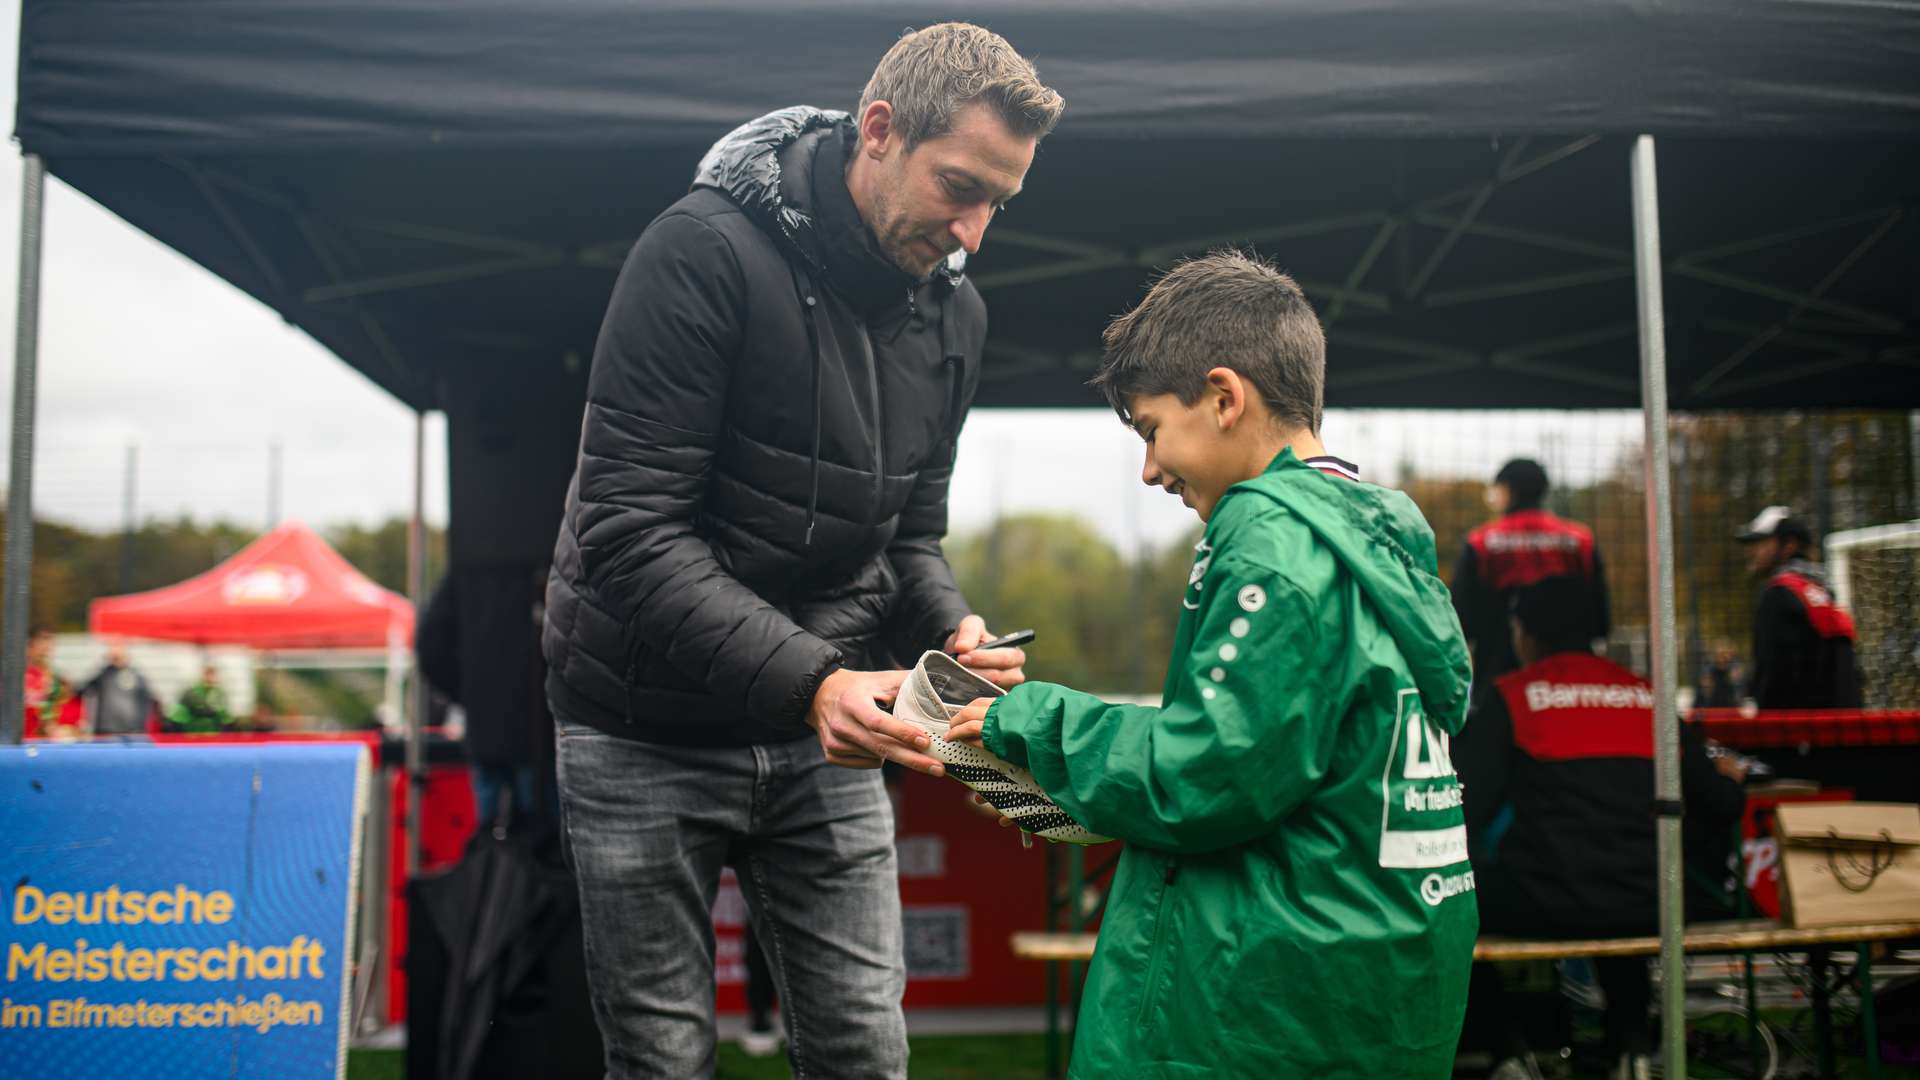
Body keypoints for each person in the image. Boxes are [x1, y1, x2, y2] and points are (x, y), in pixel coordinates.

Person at [538, 24, 1062, 1077]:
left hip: (828, 730)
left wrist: (946, 623)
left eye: (997, 202)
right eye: (960, 185)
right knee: (661, 1058)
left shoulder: (958, 312)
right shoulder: (699, 251)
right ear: (878, 131)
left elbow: (909, 533)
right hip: (640, 725)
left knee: (866, 1051)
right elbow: (629, 531)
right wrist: (815, 681)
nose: (972, 232)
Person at [946, 251, 1478, 1077]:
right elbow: (1279, 757)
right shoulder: (1374, 537)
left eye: (1153, 430)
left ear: (1225, 398)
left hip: (1268, 998)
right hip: (1372, 980)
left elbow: (1208, 773)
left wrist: (1033, 721)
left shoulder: (1271, 540)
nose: (1151, 469)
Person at [1453, 575, 1747, 1080]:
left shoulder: (1513, 698)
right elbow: (1720, 804)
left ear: (1525, 632)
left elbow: (1465, 804)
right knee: (1616, 892)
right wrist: (1732, 778)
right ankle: (1630, 1048)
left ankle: (1508, 1051)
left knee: (1449, 904)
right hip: (1652, 901)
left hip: (1545, 902)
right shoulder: (1648, 699)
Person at [1451, 458, 1610, 699]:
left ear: (1507, 490)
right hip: (1571, 682)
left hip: (1499, 679)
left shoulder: (1481, 542)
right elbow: (1601, 620)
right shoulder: (1580, 540)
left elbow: (1460, 617)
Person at [1737, 505, 1863, 709]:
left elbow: (1774, 673)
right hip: (1838, 724)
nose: (1752, 551)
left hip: (1798, 728)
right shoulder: (1822, 591)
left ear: (1788, 546)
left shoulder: (1779, 594)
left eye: (1761, 542)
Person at [79, 641, 158, 736]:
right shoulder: (104, 674)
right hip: (106, 730)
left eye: (120, 649)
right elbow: (82, 690)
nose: (117, 653)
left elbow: (148, 701)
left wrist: (140, 727)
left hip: (132, 731)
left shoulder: (137, 676)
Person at [23, 629, 82, 739]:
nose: (46, 652)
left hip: (47, 745)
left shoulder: (58, 681)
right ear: (29, 648)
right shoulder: (15, 680)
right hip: (22, 743)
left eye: (49, 648)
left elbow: (73, 715)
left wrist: (67, 729)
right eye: (41, 648)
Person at [167, 664, 237, 733]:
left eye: (213, 675)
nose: (210, 678)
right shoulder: (192, 692)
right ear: (202, 676)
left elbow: (225, 716)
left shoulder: (219, 692)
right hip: (191, 734)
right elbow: (179, 716)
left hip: (212, 734)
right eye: (208, 675)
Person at [1694, 637, 1746, 708]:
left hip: (1732, 713)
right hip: (1711, 713)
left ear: (1731, 654)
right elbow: (1700, 700)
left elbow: (1741, 699)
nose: (1723, 657)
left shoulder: (1736, 671)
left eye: (1725, 653)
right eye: (1720, 654)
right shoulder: (1707, 672)